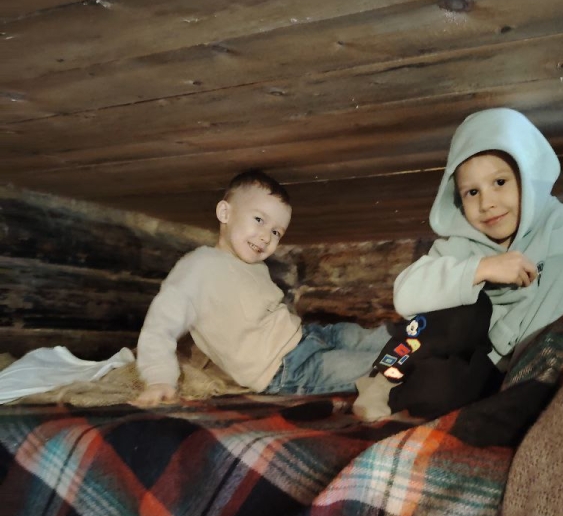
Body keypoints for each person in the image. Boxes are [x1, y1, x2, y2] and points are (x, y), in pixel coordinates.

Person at [362, 107, 563, 419]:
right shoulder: (463, 241)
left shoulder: (556, 222)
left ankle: (400, 393)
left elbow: (555, 307)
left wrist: (516, 377)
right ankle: (384, 379)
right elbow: (405, 295)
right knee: (467, 310)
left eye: (500, 182)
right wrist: (481, 269)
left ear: (528, 176)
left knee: (437, 393)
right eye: (472, 192)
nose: (486, 203)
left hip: (500, 364)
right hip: (443, 346)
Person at [133, 169, 389, 407]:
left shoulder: (256, 266)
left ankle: (411, 334)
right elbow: (159, 328)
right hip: (286, 370)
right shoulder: (198, 267)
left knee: (370, 337)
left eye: (277, 232)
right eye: (259, 220)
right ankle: (403, 372)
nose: (266, 236)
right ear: (225, 213)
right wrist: (159, 379)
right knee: (378, 367)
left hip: (308, 335)